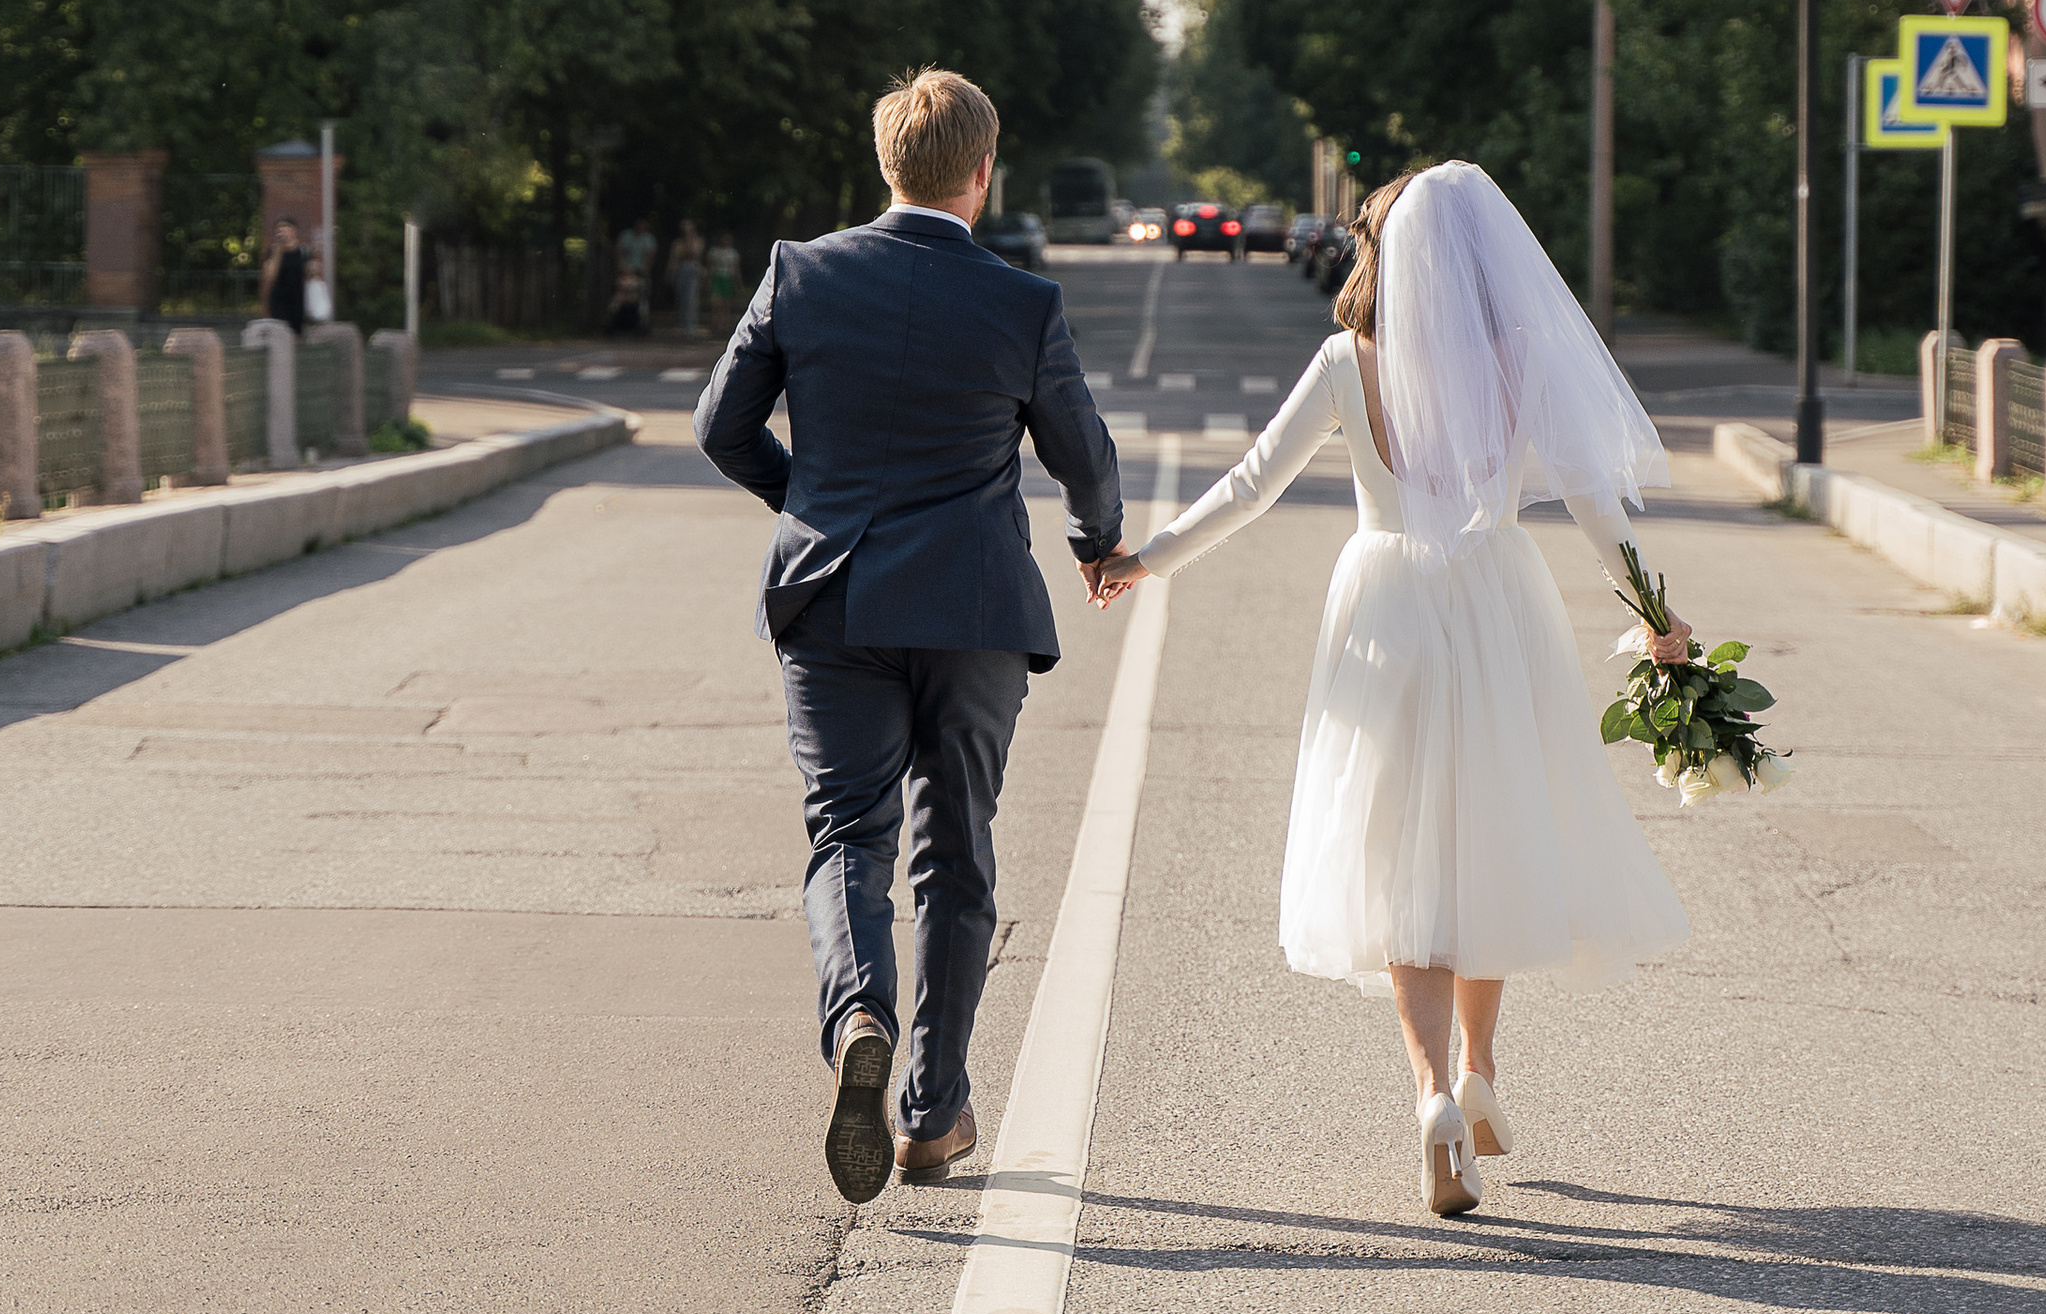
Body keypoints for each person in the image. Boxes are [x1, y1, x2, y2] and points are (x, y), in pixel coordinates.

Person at [1091, 162, 1691, 1220]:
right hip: (1496, 603)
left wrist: (1150, 558)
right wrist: (1654, 614)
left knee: (1400, 848)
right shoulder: (1523, 364)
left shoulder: (1343, 361)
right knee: (1487, 832)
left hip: (1384, 611)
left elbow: (1250, 485)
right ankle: (1480, 1073)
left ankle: (1431, 1102)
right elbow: (1595, 502)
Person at [695, 67, 1124, 1200]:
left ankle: (857, 1020)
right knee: (957, 849)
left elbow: (719, 427)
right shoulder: (1020, 303)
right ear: (983, 174)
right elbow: (1082, 454)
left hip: (831, 600)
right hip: (974, 610)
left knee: (848, 834)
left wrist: (810, 505)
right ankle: (933, 1114)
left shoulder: (803, 273)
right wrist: (1095, 542)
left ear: (887, 165)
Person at [262, 217, 308, 332]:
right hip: (279, 299)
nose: (282, 233)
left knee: (296, 331)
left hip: (297, 299)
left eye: (285, 229)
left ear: (294, 231)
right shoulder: (274, 251)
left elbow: (307, 274)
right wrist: (278, 252)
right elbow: (269, 276)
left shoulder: (303, 251)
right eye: (279, 231)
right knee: (281, 331)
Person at [670, 216, 707, 340]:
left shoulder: (698, 241)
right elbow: (675, 257)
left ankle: (691, 326)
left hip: (693, 268)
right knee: (682, 297)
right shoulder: (677, 243)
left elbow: (694, 253)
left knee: (691, 298)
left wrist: (689, 239)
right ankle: (683, 324)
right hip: (681, 268)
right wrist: (671, 273)